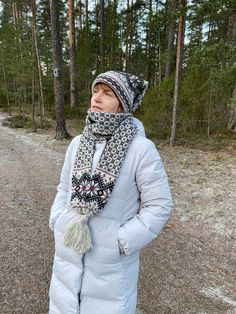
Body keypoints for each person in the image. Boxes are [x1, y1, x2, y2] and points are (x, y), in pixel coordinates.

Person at [49, 71, 173, 314]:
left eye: (107, 93)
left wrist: (122, 241)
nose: (97, 97)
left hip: (111, 269)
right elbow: (64, 188)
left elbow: (159, 205)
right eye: (96, 90)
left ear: (122, 104)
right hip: (68, 251)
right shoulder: (77, 143)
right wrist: (58, 219)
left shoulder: (141, 149)